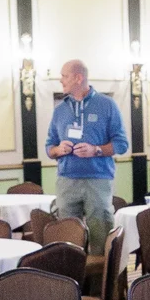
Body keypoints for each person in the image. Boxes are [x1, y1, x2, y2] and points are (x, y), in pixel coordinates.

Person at [45, 59, 127, 252]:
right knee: (67, 237)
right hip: (67, 181)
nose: (61, 80)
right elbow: (49, 147)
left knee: (100, 235)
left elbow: (122, 144)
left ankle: (100, 281)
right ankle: (72, 280)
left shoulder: (107, 105)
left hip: (98, 180)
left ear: (78, 77)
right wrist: (58, 150)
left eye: (64, 76)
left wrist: (96, 150)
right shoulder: (60, 110)